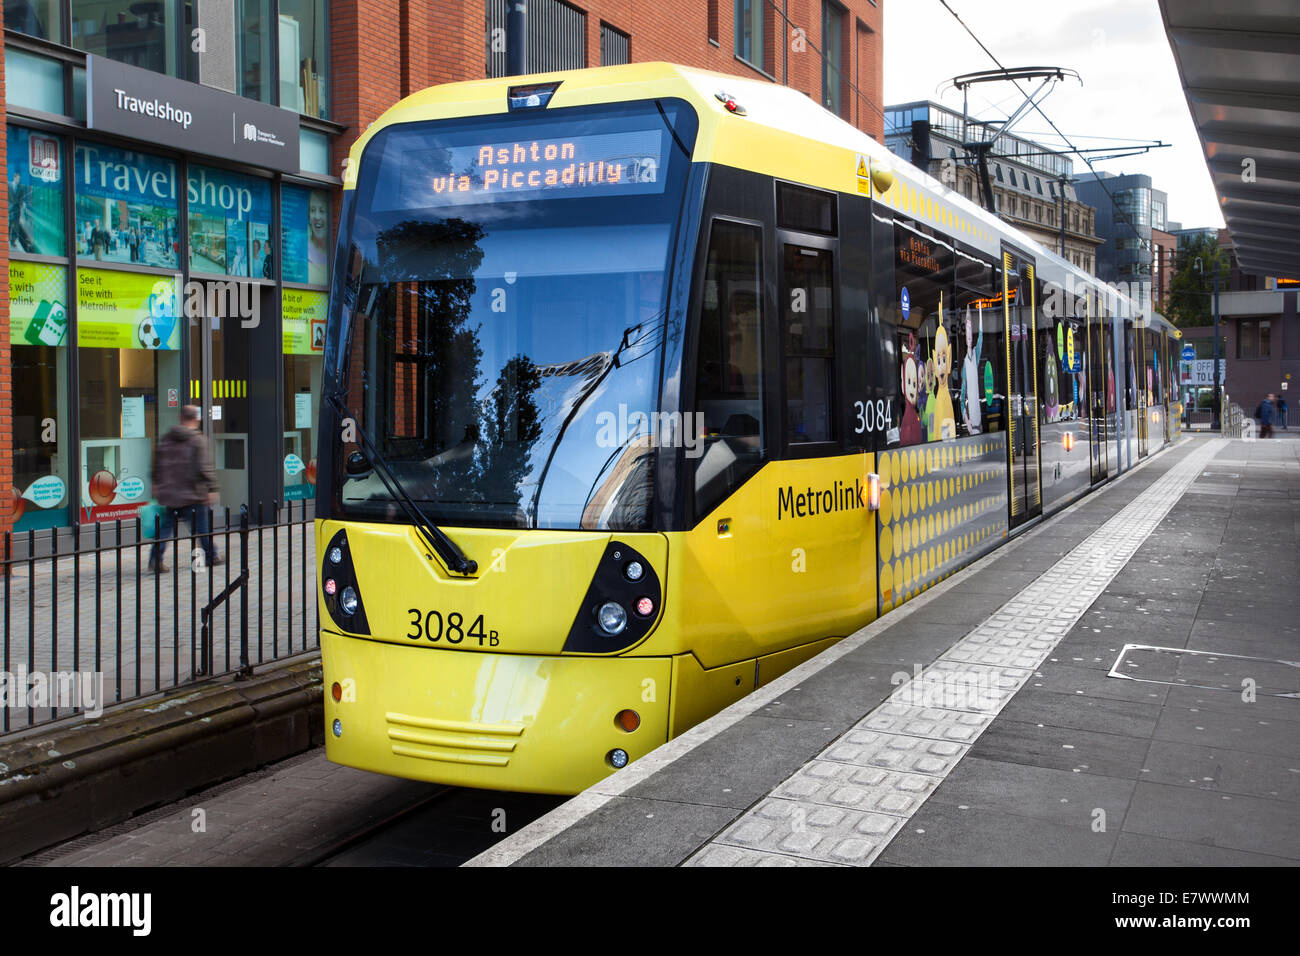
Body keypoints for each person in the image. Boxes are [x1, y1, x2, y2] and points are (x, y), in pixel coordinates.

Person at [148, 405, 221, 572]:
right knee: (201, 527)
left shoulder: (166, 439)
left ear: (181, 418)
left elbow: (156, 465)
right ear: (196, 419)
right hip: (192, 494)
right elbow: (204, 467)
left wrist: (156, 483)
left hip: (170, 494)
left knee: (165, 528)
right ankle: (210, 555)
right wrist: (212, 488)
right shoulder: (198, 440)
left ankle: (155, 559)